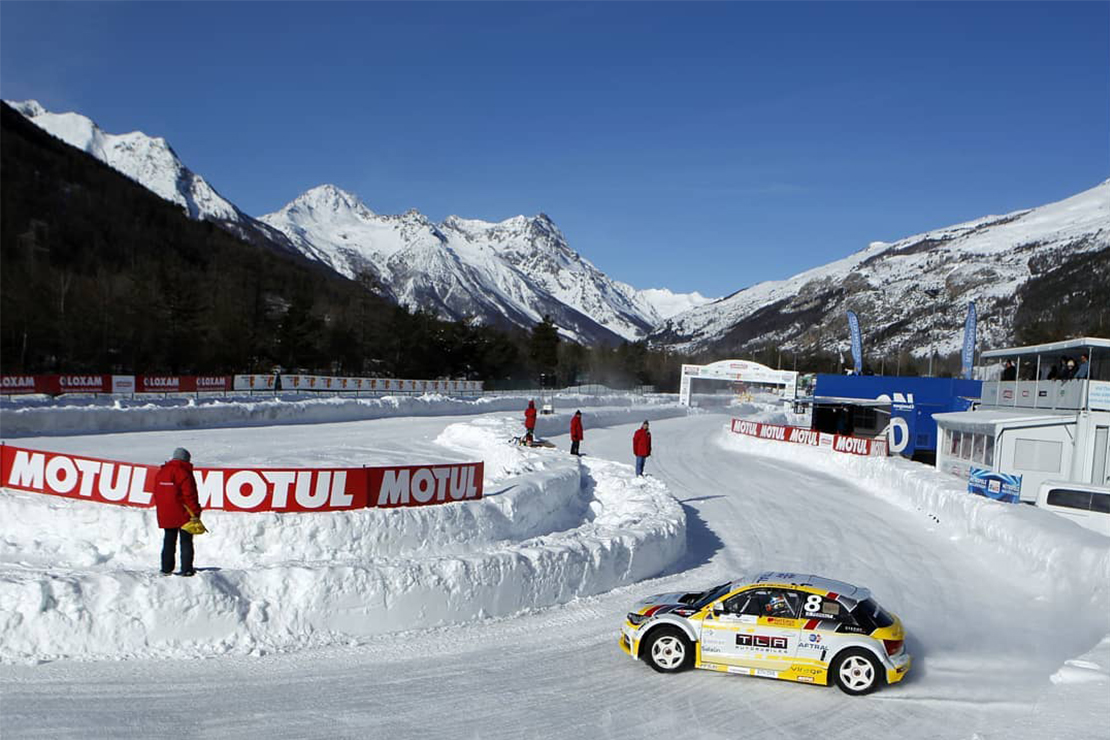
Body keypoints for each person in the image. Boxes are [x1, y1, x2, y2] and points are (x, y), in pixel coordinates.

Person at [153, 447, 202, 576]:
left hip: (165, 513)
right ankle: (186, 569)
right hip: (184, 513)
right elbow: (190, 495)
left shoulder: (162, 472)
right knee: (186, 541)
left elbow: (157, 494)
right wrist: (196, 512)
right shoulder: (183, 472)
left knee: (169, 540)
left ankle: (166, 569)